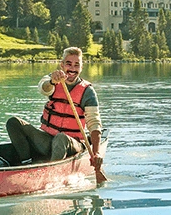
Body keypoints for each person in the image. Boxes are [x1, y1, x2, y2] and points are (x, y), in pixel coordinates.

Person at [6, 47, 105, 178]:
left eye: (77, 65)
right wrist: (52, 81)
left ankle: (50, 175)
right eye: (68, 64)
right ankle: (26, 162)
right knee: (13, 122)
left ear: (81, 67)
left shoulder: (88, 91)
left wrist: (96, 152)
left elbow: (94, 123)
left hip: (73, 143)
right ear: (62, 65)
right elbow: (43, 88)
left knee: (61, 138)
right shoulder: (51, 79)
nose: (72, 68)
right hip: (47, 140)